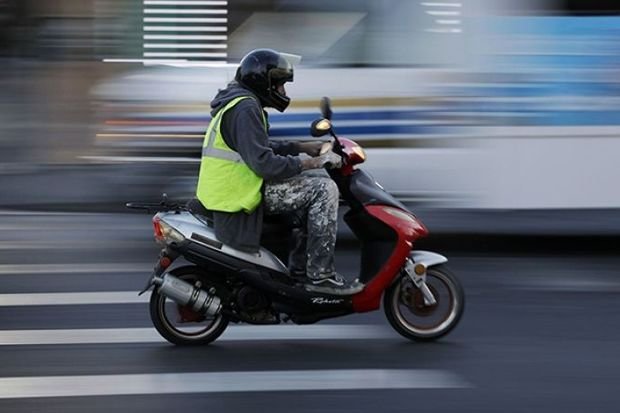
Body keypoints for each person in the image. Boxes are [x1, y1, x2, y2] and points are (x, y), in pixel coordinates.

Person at [195, 48, 361, 295]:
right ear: (263, 82)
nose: (283, 92)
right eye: (281, 85)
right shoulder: (245, 108)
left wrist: (301, 147)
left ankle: (298, 268)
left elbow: (256, 147)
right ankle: (320, 276)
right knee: (324, 189)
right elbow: (264, 163)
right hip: (239, 195)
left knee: (311, 183)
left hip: (231, 190)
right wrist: (310, 163)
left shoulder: (239, 103)